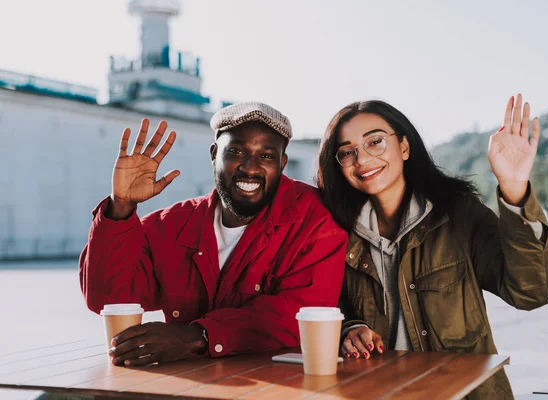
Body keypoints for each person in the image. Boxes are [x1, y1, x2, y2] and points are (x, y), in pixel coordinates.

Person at [316, 94, 548, 399]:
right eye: (347, 152)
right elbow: (324, 308)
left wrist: (514, 190)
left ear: (404, 147)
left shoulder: (458, 213)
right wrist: (348, 330)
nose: (362, 158)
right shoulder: (332, 231)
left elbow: (532, 292)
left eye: (374, 142)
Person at [79, 102, 347, 366]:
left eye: (266, 156)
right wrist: (121, 206)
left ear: (282, 162)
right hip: (187, 384)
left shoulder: (314, 220)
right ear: (214, 154)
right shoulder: (170, 225)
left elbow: (302, 313)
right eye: (236, 151)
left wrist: (196, 337)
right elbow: (107, 299)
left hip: (278, 387)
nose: (250, 168)